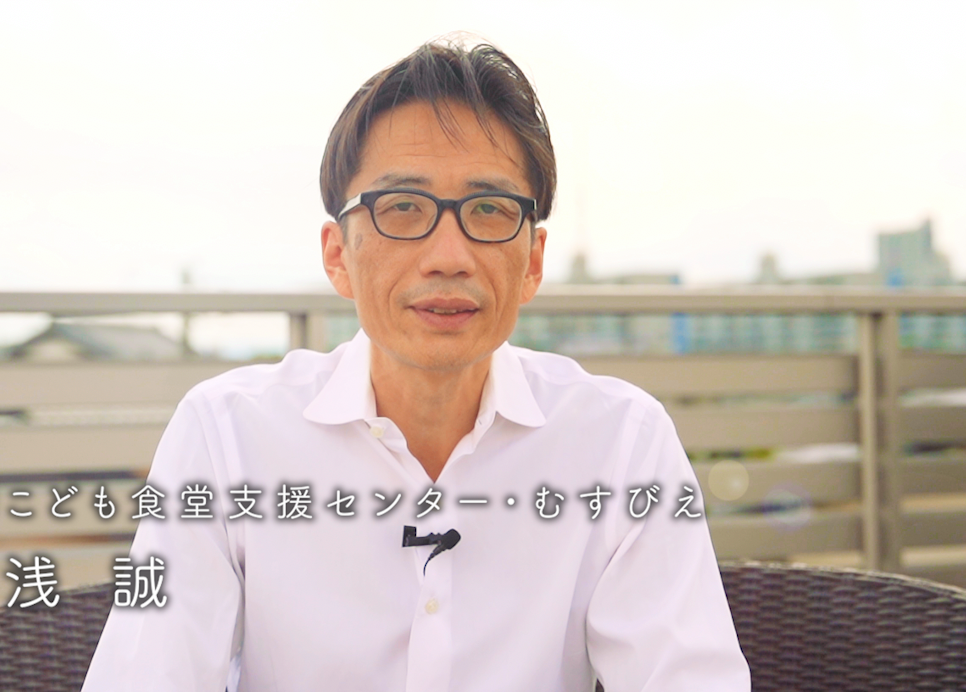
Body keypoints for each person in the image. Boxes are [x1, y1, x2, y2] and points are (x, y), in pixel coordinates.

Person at [82, 38, 749, 692]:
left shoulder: (622, 443)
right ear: (338, 255)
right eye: (403, 207)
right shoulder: (226, 436)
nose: (448, 256)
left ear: (533, 261)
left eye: (489, 209)